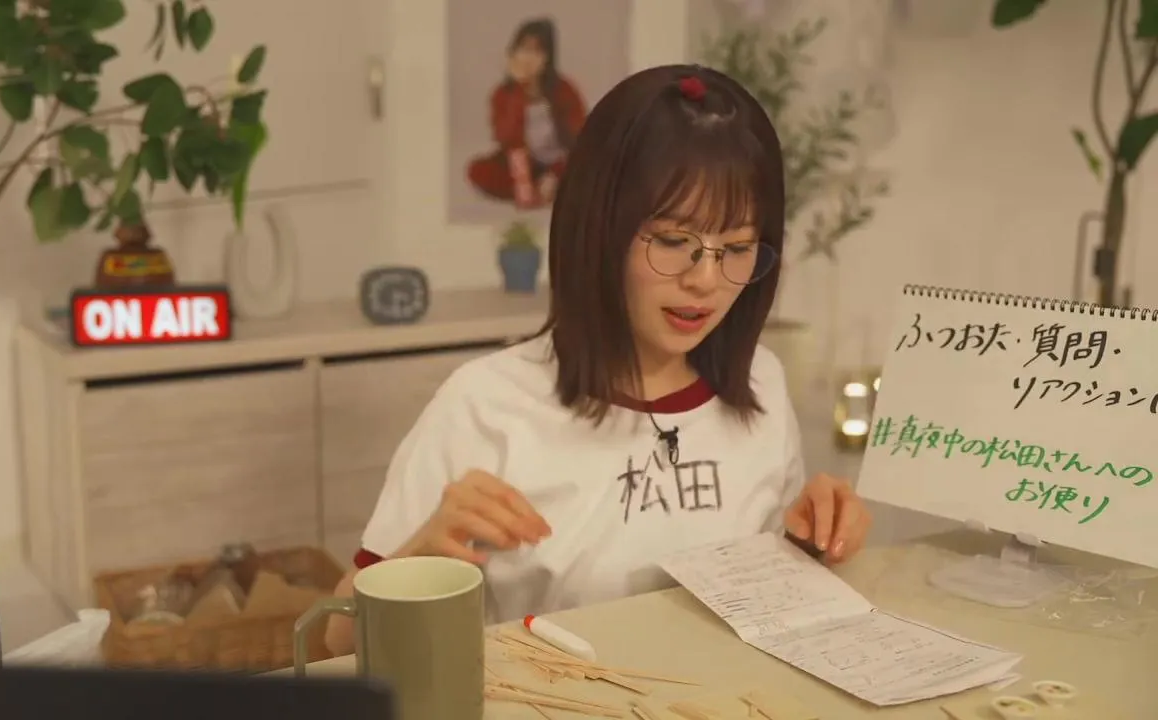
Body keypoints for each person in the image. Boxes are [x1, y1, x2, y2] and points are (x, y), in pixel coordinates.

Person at [325, 64, 872, 656]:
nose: (706, 281)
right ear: (600, 229)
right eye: (673, 242)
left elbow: (760, 598)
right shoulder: (484, 403)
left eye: (737, 249)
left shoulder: (761, 381)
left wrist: (809, 544)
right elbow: (337, 643)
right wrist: (421, 557)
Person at [466, 18, 587, 209]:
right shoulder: (502, 94)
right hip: (526, 164)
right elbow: (506, 139)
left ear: (547, 58)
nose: (528, 58)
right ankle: (537, 190)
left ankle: (555, 188)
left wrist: (556, 174)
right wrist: (519, 90)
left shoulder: (564, 89)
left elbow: (581, 139)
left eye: (537, 51)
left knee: (590, 169)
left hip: (562, 162)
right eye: (523, 49)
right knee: (478, 170)